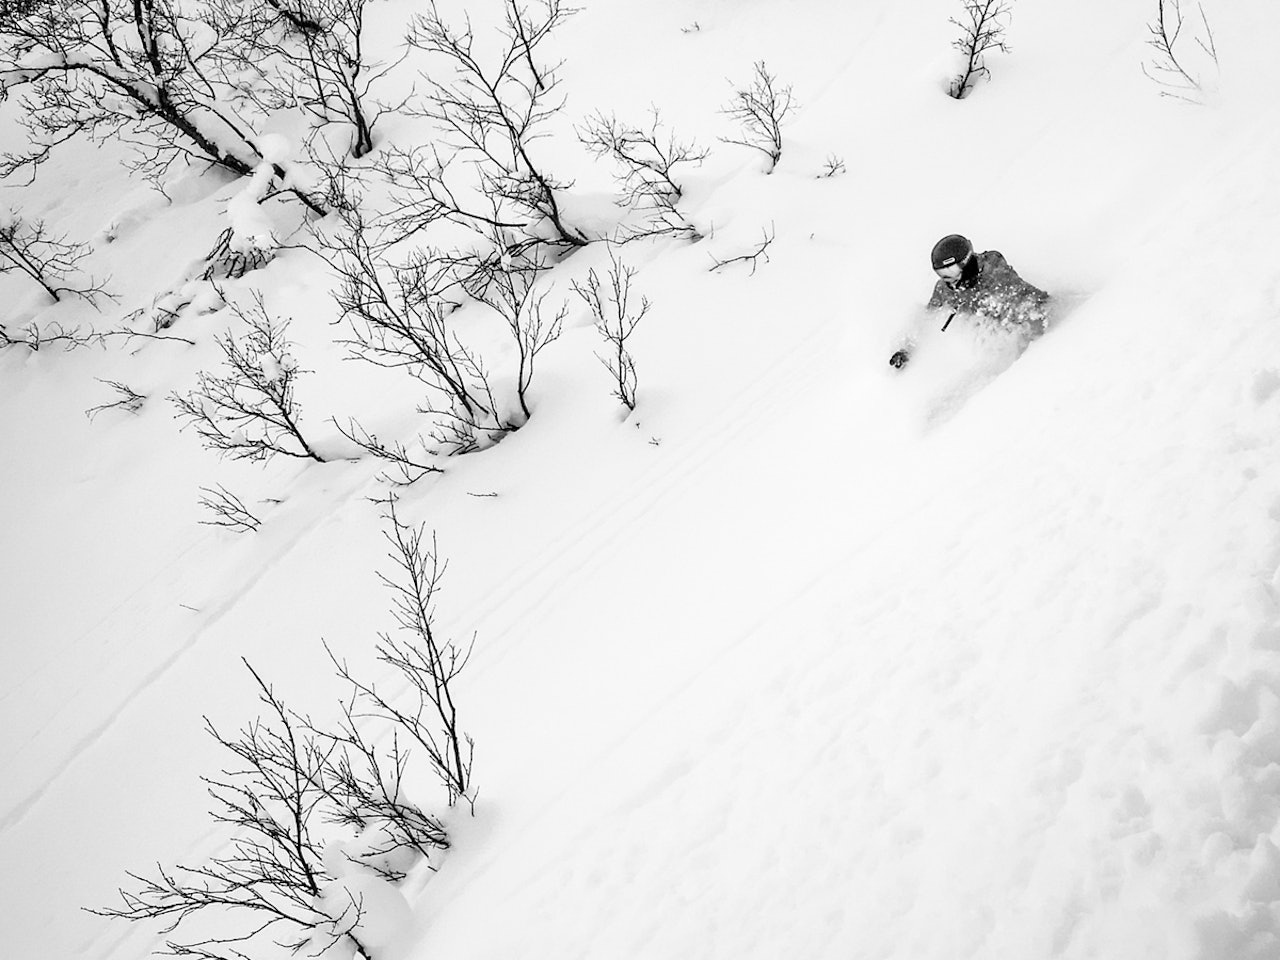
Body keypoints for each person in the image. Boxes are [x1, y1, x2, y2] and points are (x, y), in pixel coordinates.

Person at [889, 234, 1050, 369]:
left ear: (965, 263)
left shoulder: (995, 274)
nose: (947, 279)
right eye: (942, 273)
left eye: (951, 271)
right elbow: (928, 317)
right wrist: (906, 349)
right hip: (993, 348)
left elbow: (1031, 299)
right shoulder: (945, 289)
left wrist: (1048, 318)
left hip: (1026, 336)